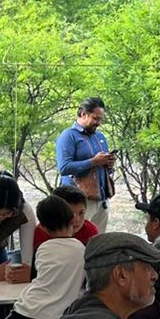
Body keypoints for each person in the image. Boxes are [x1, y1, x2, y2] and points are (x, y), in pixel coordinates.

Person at [54, 96, 114, 231]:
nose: (98, 123)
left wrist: (108, 164)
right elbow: (64, 168)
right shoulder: (68, 136)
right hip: (77, 202)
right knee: (77, 240)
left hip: (101, 200)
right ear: (83, 114)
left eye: (100, 119)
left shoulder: (99, 137)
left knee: (97, 243)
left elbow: (105, 168)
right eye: (95, 118)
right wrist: (93, 162)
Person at [33, 185, 98, 251]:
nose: (76, 220)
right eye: (70, 214)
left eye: (81, 213)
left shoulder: (90, 231)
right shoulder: (41, 232)